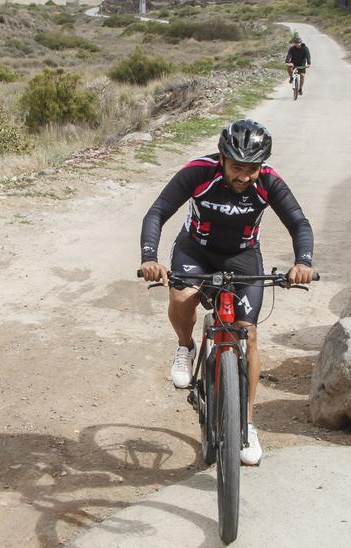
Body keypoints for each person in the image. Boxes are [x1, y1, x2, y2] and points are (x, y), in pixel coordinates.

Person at [139, 120, 315, 466]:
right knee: (180, 296)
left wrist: (302, 262)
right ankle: (185, 347)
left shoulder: (269, 182)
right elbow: (158, 212)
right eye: (237, 167)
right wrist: (150, 258)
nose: (244, 176)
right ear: (222, 158)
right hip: (196, 250)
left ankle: (246, 425)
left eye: (253, 169)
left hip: (243, 256)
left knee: (248, 335)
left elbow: (299, 223)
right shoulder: (199, 172)